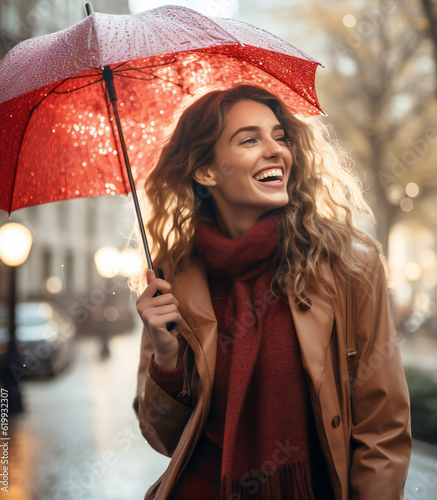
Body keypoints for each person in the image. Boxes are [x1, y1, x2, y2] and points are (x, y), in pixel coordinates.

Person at [130, 84, 412, 500]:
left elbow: (382, 429)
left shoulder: (348, 265)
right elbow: (164, 437)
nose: (276, 150)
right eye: (250, 139)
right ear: (206, 172)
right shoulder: (173, 277)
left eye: (279, 136)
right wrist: (166, 357)